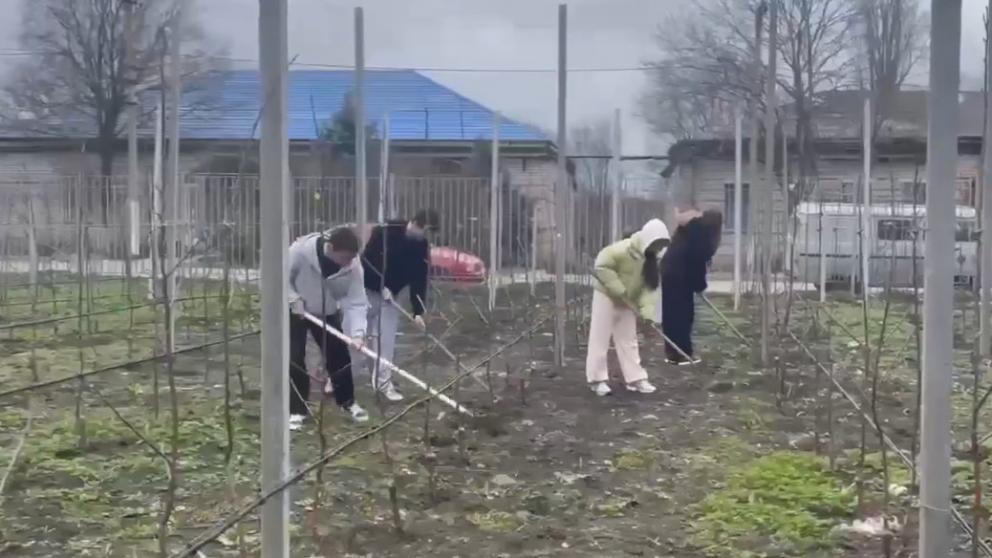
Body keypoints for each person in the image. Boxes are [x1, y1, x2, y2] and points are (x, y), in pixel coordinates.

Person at [288, 225, 370, 429]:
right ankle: (296, 410)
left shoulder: (352, 266)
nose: (348, 263)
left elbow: (357, 301)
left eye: (352, 258)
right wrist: (292, 298)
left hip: (327, 311)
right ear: (330, 248)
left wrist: (358, 334)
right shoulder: (299, 252)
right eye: (345, 258)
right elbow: (280, 279)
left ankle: (347, 402)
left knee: (339, 355)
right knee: (294, 356)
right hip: (297, 309)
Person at [360, 209, 439, 401]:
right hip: (366, 292)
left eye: (427, 232)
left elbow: (419, 279)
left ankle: (383, 384)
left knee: (386, 341)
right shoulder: (386, 232)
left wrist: (418, 311)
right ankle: (336, 380)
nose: (422, 235)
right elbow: (368, 261)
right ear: (414, 222)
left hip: (390, 298)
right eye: (422, 229)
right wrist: (381, 284)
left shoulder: (420, 246)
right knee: (357, 337)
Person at [586, 218, 671, 396]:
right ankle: (597, 380)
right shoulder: (622, 249)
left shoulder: (651, 260)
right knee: (600, 338)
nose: (658, 249)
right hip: (606, 296)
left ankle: (635, 379)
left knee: (628, 340)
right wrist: (619, 289)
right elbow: (601, 265)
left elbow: (649, 289)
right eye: (656, 244)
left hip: (627, 301)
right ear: (648, 239)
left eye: (661, 245)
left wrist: (647, 314)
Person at [660, 208, 723, 365]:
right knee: (682, 315)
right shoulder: (701, 236)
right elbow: (697, 264)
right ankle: (682, 354)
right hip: (678, 276)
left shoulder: (691, 229)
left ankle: (672, 353)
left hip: (670, 273)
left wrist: (697, 284)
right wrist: (699, 285)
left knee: (671, 314)